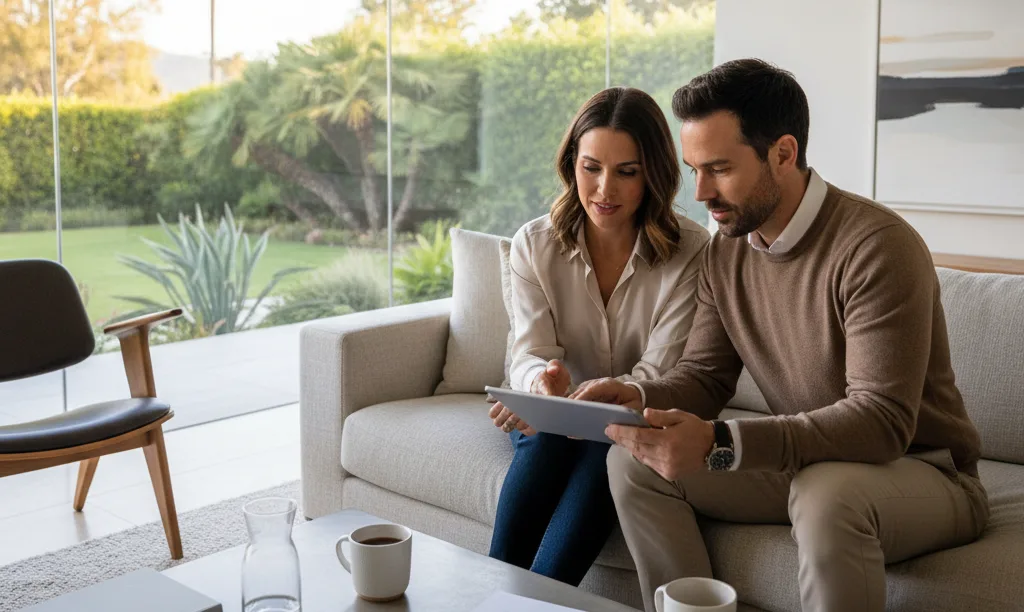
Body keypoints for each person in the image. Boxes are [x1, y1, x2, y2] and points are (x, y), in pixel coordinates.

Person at [573, 59, 989, 612]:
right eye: (694, 168)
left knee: (826, 496)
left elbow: (882, 421)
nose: (700, 192)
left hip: (922, 471)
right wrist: (639, 396)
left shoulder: (876, 247)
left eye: (719, 168)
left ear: (784, 154)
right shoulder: (727, 251)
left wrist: (724, 444)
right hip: (809, 459)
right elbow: (705, 375)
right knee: (635, 463)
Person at [486, 86, 711, 586]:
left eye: (626, 172)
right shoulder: (534, 243)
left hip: (629, 424)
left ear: (652, 173)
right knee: (547, 438)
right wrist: (539, 385)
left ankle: (535, 601)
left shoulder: (691, 252)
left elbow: (659, 373)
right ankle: (493, 593)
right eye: (591, 168)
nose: (605, 189)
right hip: (550, 422)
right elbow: (528, 353)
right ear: (572, 165)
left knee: (603, 449)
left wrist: (599, 404)